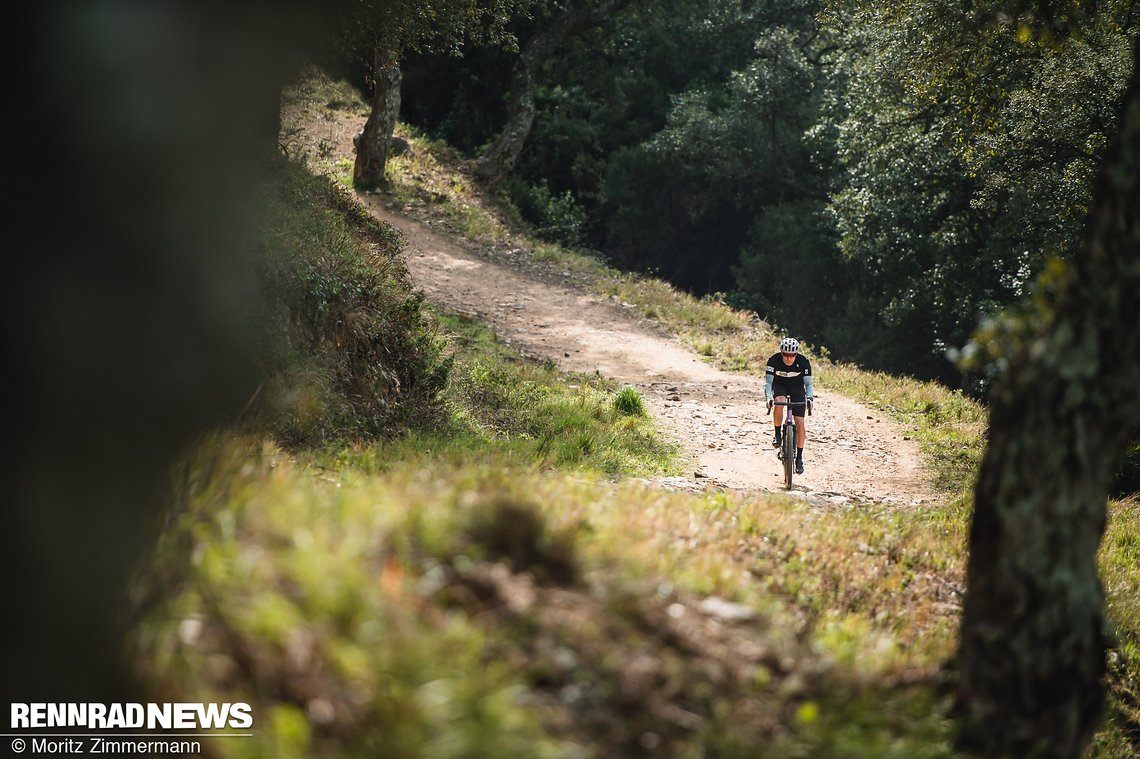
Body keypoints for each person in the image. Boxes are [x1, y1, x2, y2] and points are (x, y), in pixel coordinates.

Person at [764, 337, 814, 474]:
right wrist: (768, 398)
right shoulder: (773, 361)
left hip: (797, 387)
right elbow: (768, 383)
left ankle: (799, 458)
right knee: (779, 402)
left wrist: (809, 398)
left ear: (796, 354)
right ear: (781, 353)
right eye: (786, 355)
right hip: (780, 385)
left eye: (792, 355)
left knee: (800, 422)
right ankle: (777, 434)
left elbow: (808, 384)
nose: (789, 358)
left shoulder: (803, 362)